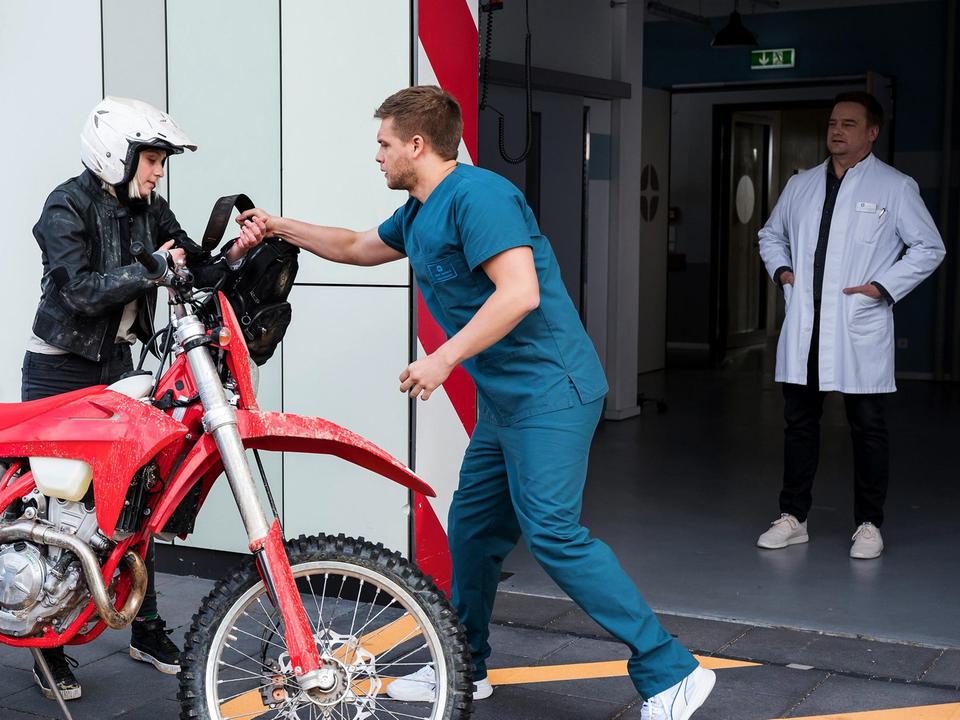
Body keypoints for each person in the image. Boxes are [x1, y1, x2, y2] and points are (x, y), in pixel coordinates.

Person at [237, 85, 715, 720]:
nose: (375, 155)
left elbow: (519, 293)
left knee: (553, 532)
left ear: (417, 143)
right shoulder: (418, 210)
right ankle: (466, 667)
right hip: (505, 401)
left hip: (552, 391)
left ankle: (670, 670)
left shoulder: (479, 196)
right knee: (472, 530)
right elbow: (356, 246)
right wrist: (277, 225)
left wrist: (442, 358)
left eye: (383, 143)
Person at [24, 96, 266, 701]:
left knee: (137, 497)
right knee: (56, 508)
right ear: (116, 154)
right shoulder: (65, 205)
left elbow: (194, 267)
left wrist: (236, 252)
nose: (158, 171)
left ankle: (145, 627)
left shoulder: (148, 208)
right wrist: (155, 269)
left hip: (121, 367)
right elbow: (78, 291)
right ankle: (47, 646)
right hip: (60, 372)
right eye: (152, 159)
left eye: (159, 161)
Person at [756, 91, 945, 560]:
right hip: (807, 323)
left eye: (849, 124)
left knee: (868, 427)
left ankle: (868, 524)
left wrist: (881, 287)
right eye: (832, 123)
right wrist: (783, 272)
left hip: (856, 325)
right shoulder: (800, 184)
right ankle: (793, 517)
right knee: (799, 423)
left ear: (871, 133)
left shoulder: (894, 187)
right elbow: (770, 234)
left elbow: (929, 247)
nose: (837, 131)